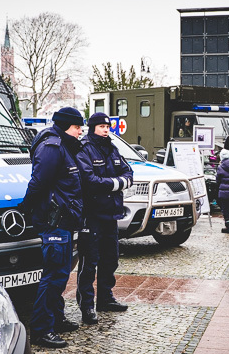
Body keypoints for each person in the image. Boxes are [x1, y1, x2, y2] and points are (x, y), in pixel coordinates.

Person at [19, 107, 85, 348]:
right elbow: (38, 182)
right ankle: (41, 330)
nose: (81, 131)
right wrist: (26, 208)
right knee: (54, 275)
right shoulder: (53, 147)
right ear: (68, 125)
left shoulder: (64, 146)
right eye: (78, 127)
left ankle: (56, 318)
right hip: (54, 220)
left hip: (65, 220)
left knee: (61, 274)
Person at [76, 112, 133, 325]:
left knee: (111, 259)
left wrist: (113, 182)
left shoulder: (112, 148)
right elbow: (89, 180)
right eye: (101, 126)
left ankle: (105, 298)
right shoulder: (85, 149)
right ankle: (87, 306)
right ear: (92, 128)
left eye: (107, 126)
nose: (106, 129)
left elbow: (129, 173)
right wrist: (116, 182)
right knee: (89, 262)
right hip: (92, 216)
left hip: (111, 214)